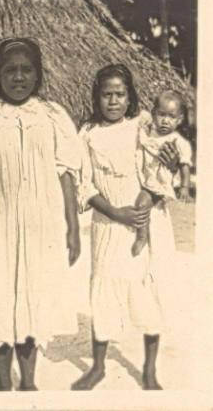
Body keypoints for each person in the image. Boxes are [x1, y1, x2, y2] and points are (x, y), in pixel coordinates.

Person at [0, 38, 81, 391]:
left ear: (39, 75)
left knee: (33, 302)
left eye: (27, 70)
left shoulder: (53, 116)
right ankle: (1, 384)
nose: (18, 77)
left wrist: (72, 229)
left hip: (42, 228)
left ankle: (28, 383)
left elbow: (65, 174)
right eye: (10, 70)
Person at [71, 64, 179, 391]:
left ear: (130, 96)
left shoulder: (142, 124)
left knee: (147, 291)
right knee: (103, 288)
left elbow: (159, 164)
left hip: (147, 218)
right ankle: (98, 367)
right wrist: (116, 213)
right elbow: (83, 184)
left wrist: (166, 172)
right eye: (107, 95)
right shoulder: (88, 133)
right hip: (109, 221)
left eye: (120, 94)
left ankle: (148, 370)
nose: (114, 101)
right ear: (97, 97)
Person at [132, 90, 192, 257]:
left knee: (142, 203)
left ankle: (141, 237)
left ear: (179, 120)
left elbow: (184, 165)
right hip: (144, 176)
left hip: (159, 183)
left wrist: (185, 187)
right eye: (161, 115)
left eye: (171, 117)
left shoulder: (178, 141)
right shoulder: (147, 131)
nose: (165, 120)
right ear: (153, 114)